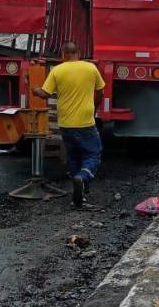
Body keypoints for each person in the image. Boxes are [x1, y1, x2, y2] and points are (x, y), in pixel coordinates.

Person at [32, 41, 105, 207]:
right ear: (78, 52)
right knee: (93, 154)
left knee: (73, 156)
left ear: (64, 54)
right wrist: (94, 107)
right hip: (86, 121)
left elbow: (44, 94)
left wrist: (35, 89)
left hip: (65, 123)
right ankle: (83, 177)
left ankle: (78, 192)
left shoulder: (57, 70)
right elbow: (100, 90)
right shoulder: (91, 68)